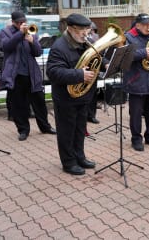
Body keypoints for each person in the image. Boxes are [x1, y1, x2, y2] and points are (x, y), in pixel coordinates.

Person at [46, 13, 97, 175]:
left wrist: (105, 64)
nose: (85, 33)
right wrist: (79, 75)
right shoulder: (59, 47)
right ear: (70, 28)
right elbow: (53, 72)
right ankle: (68, 162)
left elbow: (93, 61)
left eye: (86, 29)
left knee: (80, 130)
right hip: (65, 98)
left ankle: (80, 157)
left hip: (82, 96)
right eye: (81, 30)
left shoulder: (85, 43)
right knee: (66, 132)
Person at [0, 11, 56, 141]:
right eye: (19, 22)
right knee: (19, 105)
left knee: (40, 102)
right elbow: (7, 47)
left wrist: (32, 41)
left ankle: (45, 127)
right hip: (16, 75)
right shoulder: (5, 32)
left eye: (23, 21)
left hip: (32, 74)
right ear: (13, 22)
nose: (22, 24)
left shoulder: (31, 31)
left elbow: (38, 53)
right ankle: (23, 130)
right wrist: (20, 33)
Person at [123, 13, 149, 151]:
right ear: (138, 25)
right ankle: (136, 138)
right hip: (136, 81)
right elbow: (125, 56)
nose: (148, 27)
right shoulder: (129, 37)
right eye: (145, 24)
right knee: (135, 113)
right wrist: (143, 53)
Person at [86, 21, 100, 124]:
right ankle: (85, 114)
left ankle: (92, 115)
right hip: (82, 71)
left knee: (93, 94)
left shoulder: (93, 38)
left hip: (93, 70)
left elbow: (98, 54)